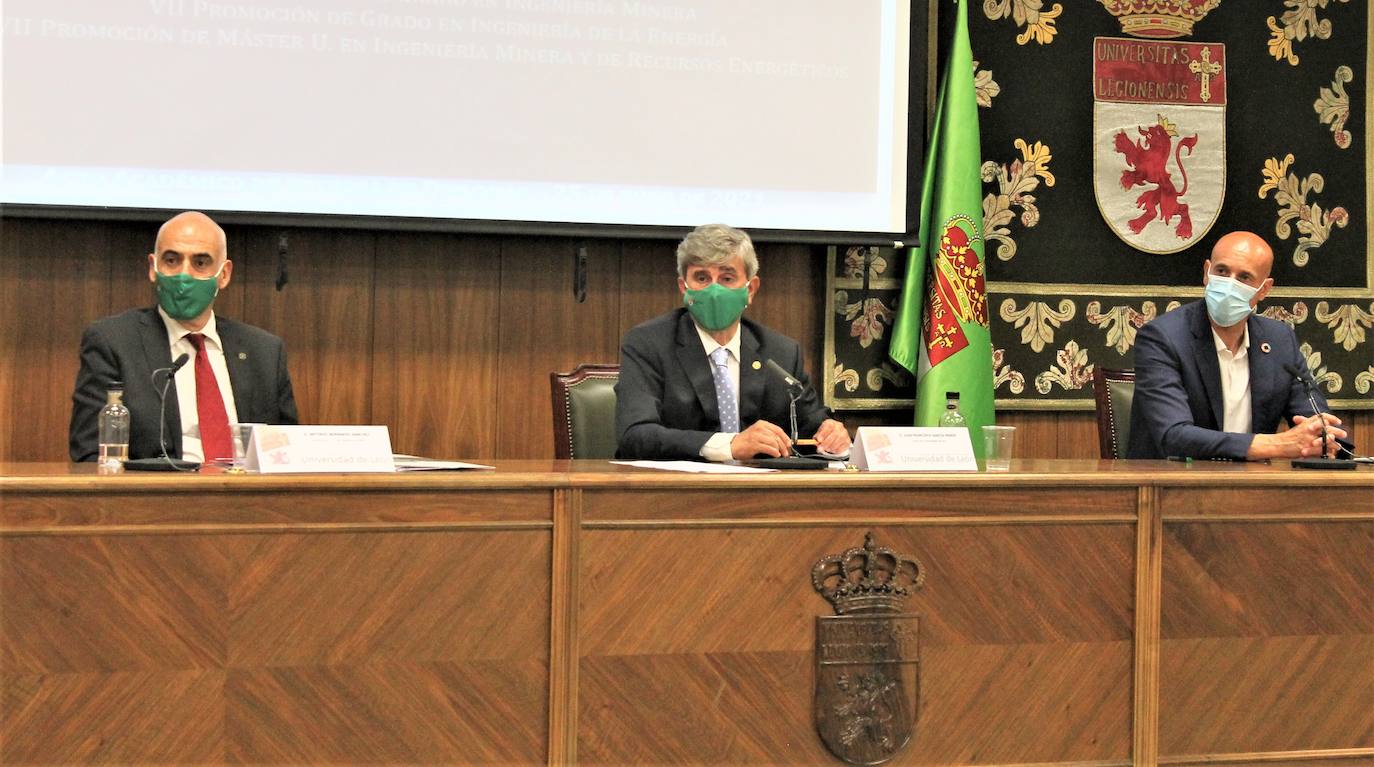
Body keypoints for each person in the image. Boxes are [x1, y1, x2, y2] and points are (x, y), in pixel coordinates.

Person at [69, 211, 298, 462]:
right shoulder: (113, 342)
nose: (184, 275)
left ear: (224, 274)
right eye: (171, 260)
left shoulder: (265, 351)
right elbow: (90, 455)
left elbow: (287, 453)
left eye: (200, 263)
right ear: (153, 268)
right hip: (157, 497)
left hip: (247, 496)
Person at [616, 223, 850, 460]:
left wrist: (831, 434)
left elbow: (812, 427)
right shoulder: (649, 344)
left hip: (762, 492)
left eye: (727, 278)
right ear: (683, 288)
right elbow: (636, 435)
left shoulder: (781, 353)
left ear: (751, 289)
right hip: (675, 491)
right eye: (702, 278)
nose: (714, 291)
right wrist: (730, 445)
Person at [1127, 231, 1349, 460]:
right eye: (1222, 271)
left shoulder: (1279, 340)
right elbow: (1174, 437)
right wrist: (1277, 444)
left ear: (1264, 289)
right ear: (1207, 272)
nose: (1229, 284)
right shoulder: (1162, 337)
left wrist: (1325, 439)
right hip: (1173, 485)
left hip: (1252, 486)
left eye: (1244, 277)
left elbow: (1318, 422)